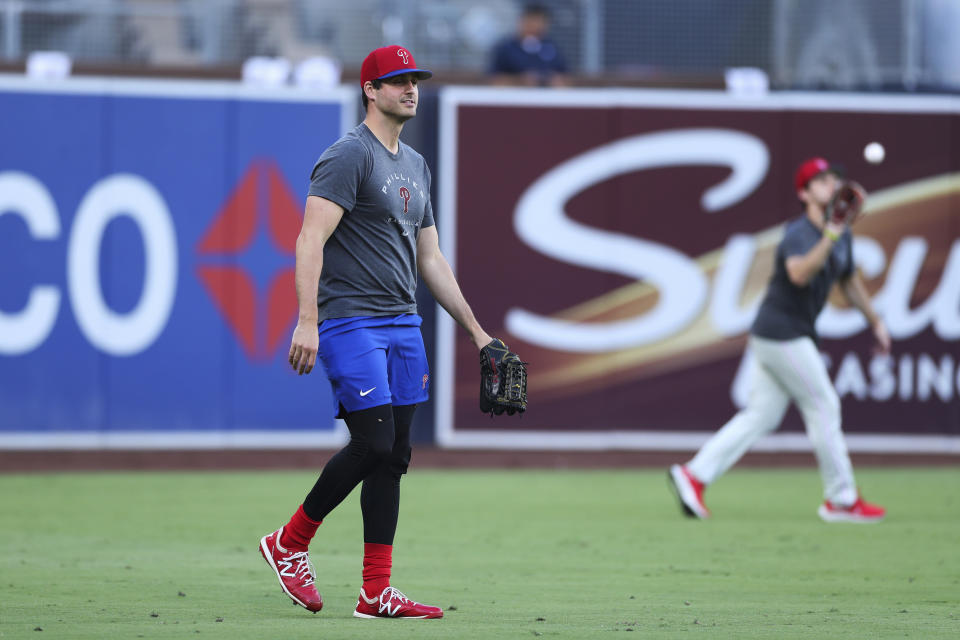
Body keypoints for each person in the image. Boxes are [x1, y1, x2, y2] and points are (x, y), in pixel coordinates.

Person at [259, 45, 497, 619]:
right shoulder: (348, 155)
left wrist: (477, 333)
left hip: (403, 323)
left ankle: (375, 591)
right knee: (374, 442)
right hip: (350, 320)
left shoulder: (415, 164)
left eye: (414, 80)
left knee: (394, 458)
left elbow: (431, 259)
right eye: (396, 82)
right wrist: (308, 321)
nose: (410, 89)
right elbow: (309, 239)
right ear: (370, 90)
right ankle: (288, 543)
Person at [668, 157, 890, 524]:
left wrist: (876, 322)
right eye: (819, 181)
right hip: (781, 333)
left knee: (762, 416)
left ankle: (694, 474)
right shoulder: (799, 233)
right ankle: (841, 499)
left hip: (783, 334)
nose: (830, 185)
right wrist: (830, 236)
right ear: (804, 193)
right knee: (823, 404)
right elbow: (799, 273)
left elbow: (848, 280)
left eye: (833, 179)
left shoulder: (841, 232)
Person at [489, 3, 569, 87]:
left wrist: (553, 81)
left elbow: (566, 79)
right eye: (532, 21)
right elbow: (492, 81)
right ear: (522, 21)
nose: (535, 26)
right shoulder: (505, 48)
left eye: (540, 21)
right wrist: (519, 81)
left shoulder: (553, 48)